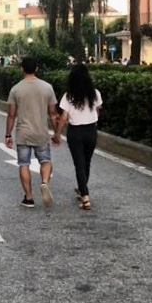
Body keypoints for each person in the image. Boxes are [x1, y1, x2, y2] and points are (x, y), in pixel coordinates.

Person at [5, 57, 58, 208]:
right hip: (41, 132)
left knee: (23, 164)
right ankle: (44, 182)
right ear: (36, 69)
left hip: (23, 133)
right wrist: (56, 132)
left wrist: (8, 135)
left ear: (21, 69)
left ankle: (28, 198)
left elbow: (11, 115)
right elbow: (53, 113)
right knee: (45, 161)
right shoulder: (47, 87)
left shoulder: (16, 89)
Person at [52, 64, 102, 210]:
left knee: (79, 163)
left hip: (75, 132)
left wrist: (57, 134)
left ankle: (85, 196)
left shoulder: (68, 96)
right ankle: (82, 189)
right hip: (91, 130)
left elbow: (63, 117)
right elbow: (98, 110)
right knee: (86, 162)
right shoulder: (95, 93)